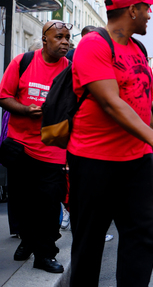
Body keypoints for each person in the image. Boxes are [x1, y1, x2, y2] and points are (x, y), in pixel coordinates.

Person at [67, 0, 153, 287]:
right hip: (94, 160)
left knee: (142, 239)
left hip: (137, 161)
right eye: (146, 8)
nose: (150, 14)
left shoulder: (138, 48)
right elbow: (111, 102)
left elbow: (143, 104)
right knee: (89, 244)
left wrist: (152, 150)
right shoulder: (95, 44)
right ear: (132, 10)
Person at [0, 20, 71, 273]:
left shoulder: (71, 70)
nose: (65, 42)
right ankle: (28, 241)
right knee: (23, 203)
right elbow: (4, 96)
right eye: (59, 37)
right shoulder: (23, 62)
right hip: (20, 146)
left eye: (67, 38)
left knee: (50, 204)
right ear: (44, 39)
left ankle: (45, 254)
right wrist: (24, 109)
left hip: (52, 148)